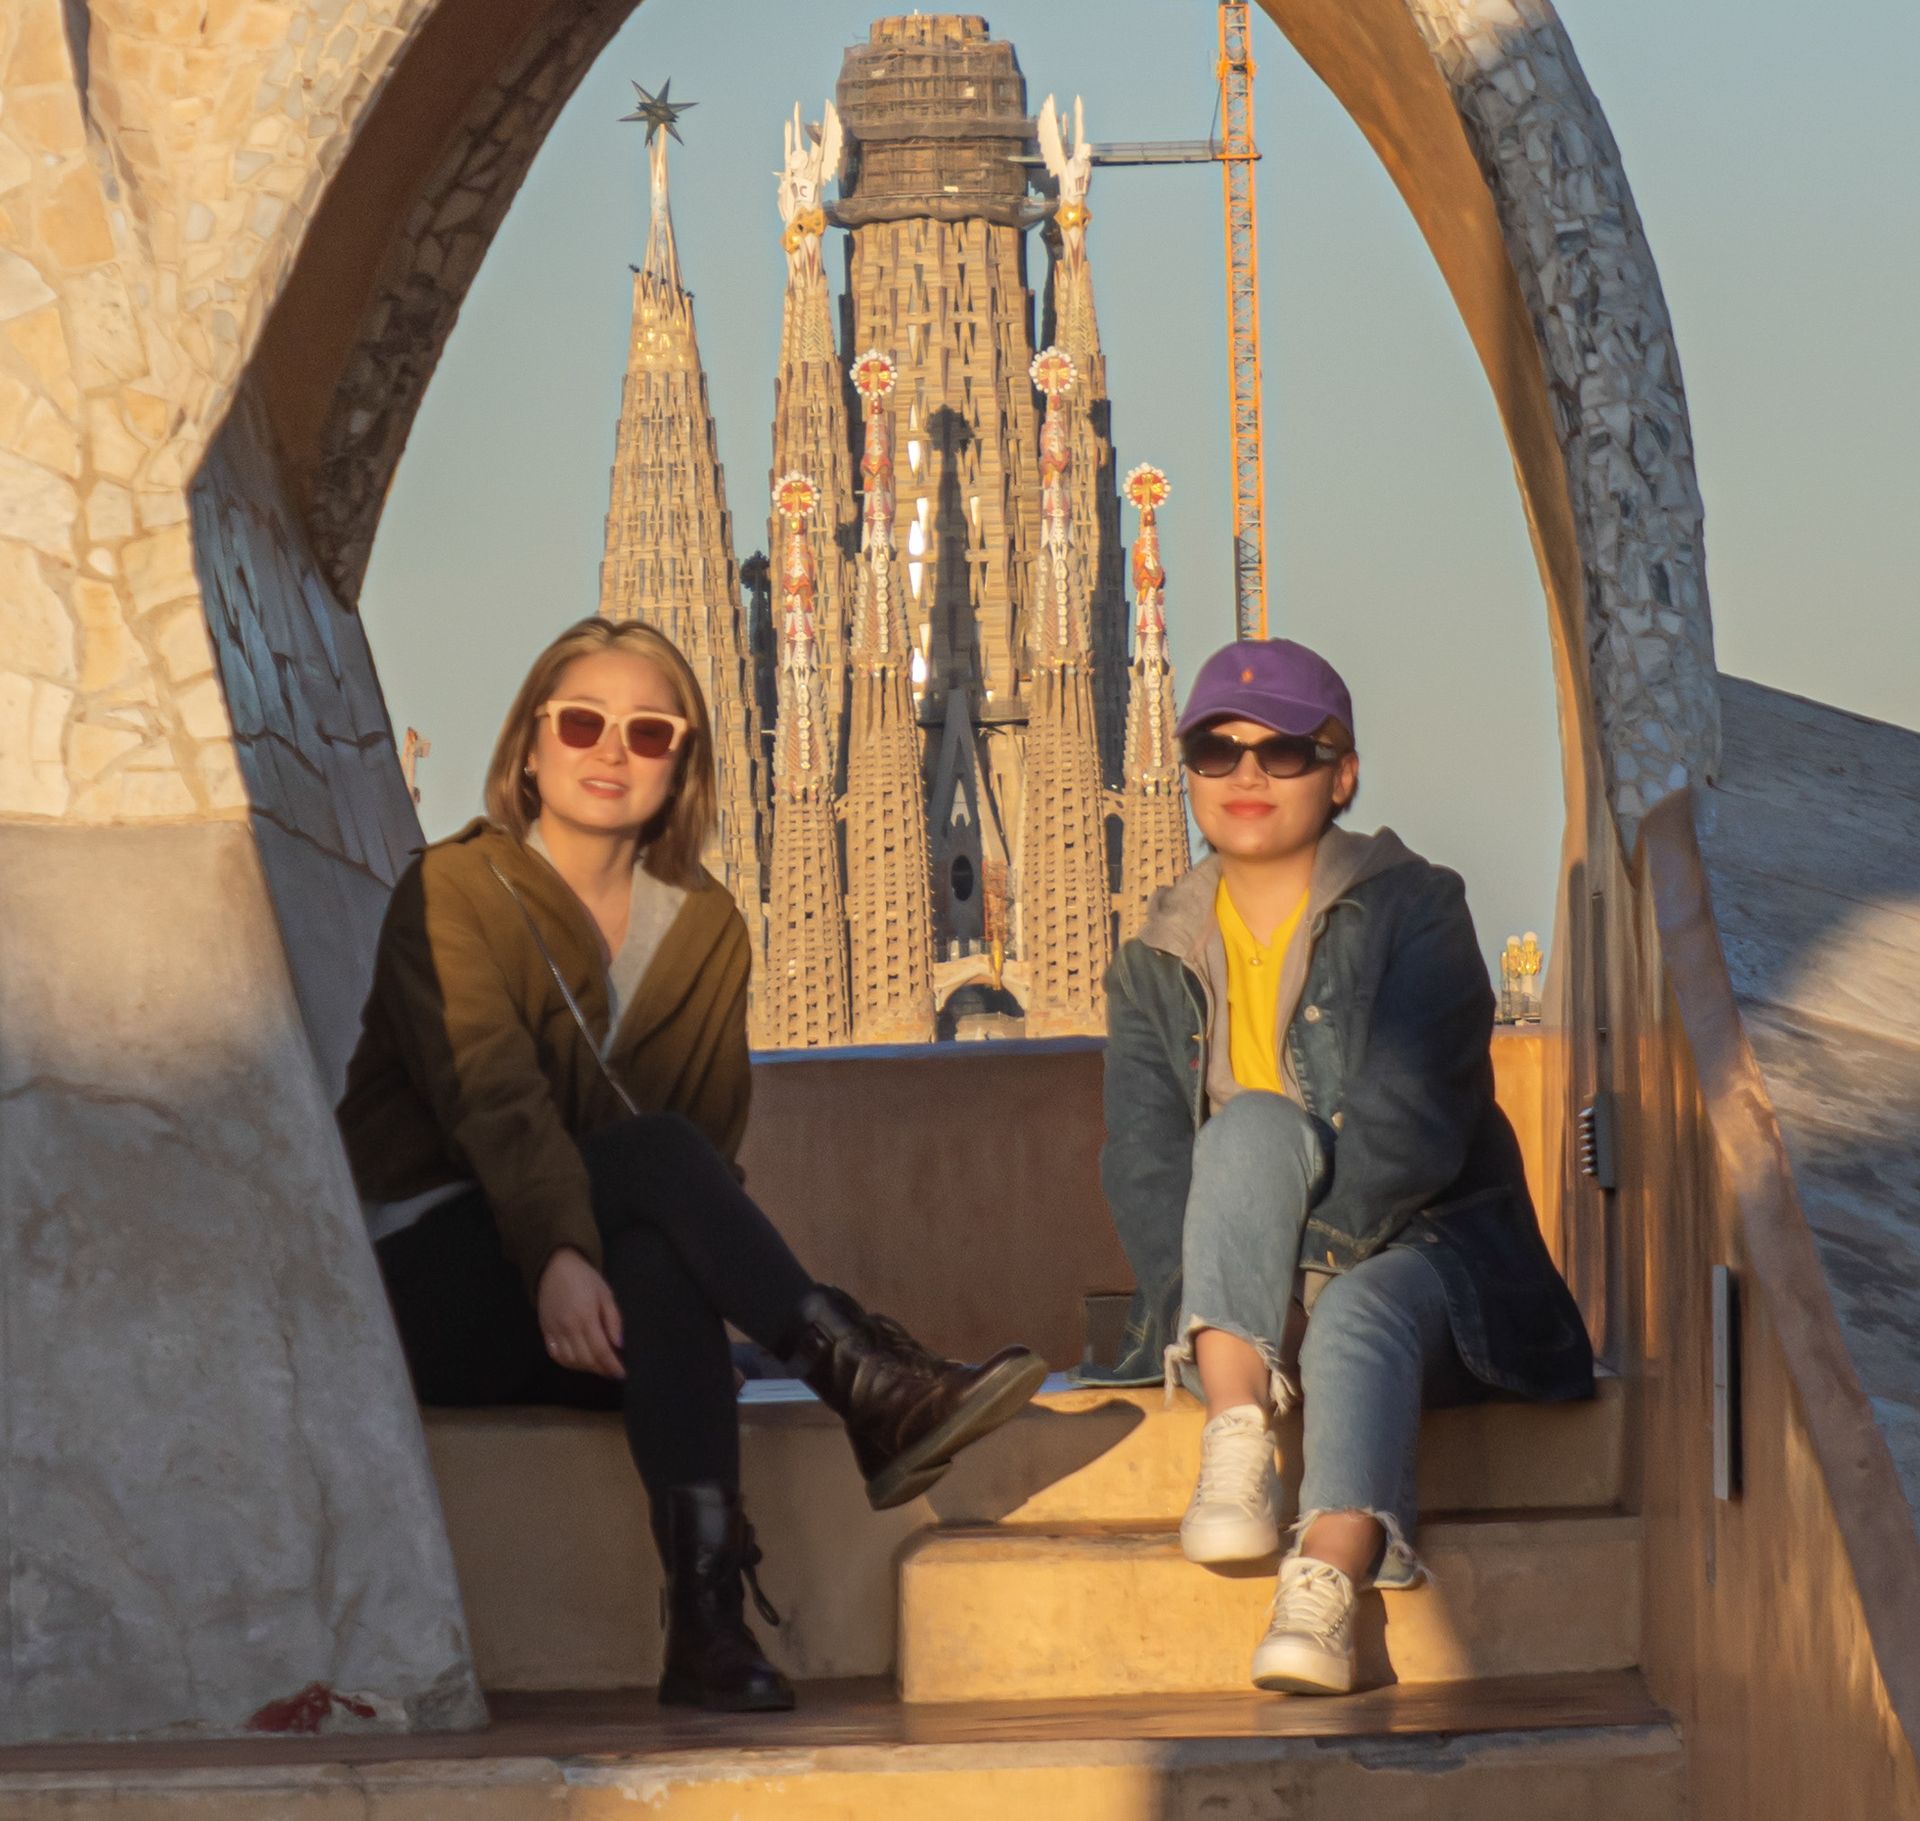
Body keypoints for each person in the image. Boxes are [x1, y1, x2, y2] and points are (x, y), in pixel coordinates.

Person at [337, 615, 1046, 1714]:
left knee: (662, 1254)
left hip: (591, 1302)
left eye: (649, 733)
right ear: (529, 748)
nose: (610, 750)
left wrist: (600, 1258)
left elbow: (704, 1143)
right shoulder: (454, 894)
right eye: (580, 723)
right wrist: (561, 1255)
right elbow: (495, 1102)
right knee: (653, 1177)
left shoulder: (706, 925)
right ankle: (860, 1377)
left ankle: (708, 1627)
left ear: (685, 767)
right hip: (434, 1277)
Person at [1087, 638, 1592, 1695]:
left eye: (1284, 751)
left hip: (1431, 1254)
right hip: (1249, 1291)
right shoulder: (1155, 957)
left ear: (1342, 773)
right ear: (1185, 773)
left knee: (1361, 1306)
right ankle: (1237, 1435)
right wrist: (1237, 1301)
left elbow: (1414, 1124)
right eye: (1216, 752)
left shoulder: (1418, 909)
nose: (1248, 776)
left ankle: (1324, 1578)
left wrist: (1300, 1281)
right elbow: (1143, 1162)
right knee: (1249, 1130)